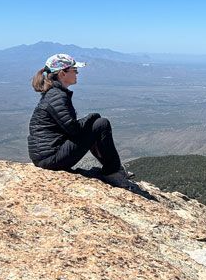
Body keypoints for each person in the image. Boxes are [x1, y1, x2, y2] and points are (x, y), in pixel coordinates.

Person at [28, 53, 132, 187]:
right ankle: (113, 172)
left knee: (96, 126)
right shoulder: (57, 96)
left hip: (46, 156)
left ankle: (113, 169)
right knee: (101, 124)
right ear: (62, 74)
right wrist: (92, 116)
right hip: (50, 159)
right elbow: (73, 129)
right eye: (74, 70)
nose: (77, 73)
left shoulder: (54, 93)